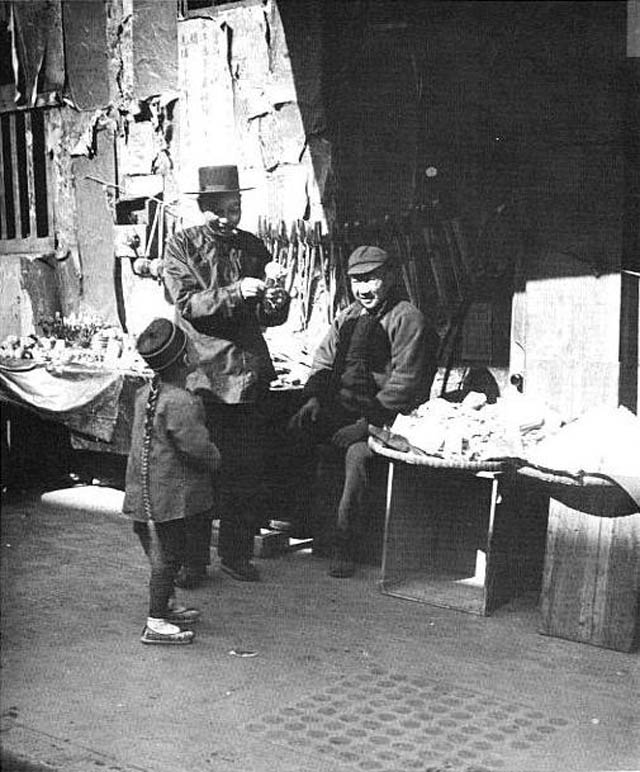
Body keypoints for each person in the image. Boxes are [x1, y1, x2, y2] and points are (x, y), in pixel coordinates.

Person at [163, 165, 284, 583]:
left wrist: (276, 296)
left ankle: (236, 555)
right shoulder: (181, 245)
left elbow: (271, 315)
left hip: (247, 375)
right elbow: (187, 305)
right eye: (218, 210)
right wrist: (236, 292)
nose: (227, 219)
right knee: (198, 472)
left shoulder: (252, 246)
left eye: (233, 209)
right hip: (202, 374)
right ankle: (193, 562)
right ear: (202, 206)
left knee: (243, 473)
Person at [288, 245, 439, 578]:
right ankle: (302, 526)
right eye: (357, 280)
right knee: (292, 428)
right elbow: (324, 358)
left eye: (371, 279)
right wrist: (313, 398)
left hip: (391, 422)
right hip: (345, 411)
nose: (364, 288)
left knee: (357, 456)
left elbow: (405, 384)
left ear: (389, 277)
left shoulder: (407, 318)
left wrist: (365, 426)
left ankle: (345, 546)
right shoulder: (349, 316)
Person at [122, 318, 221, 644]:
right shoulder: (182, 402)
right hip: (167, 505)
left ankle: (164, 606)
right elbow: (197, 448)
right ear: (184, 359)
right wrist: (215, 457)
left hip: (145, 498)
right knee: (167, 562)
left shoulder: (145, 394)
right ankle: (155, 622)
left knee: (163, 558)